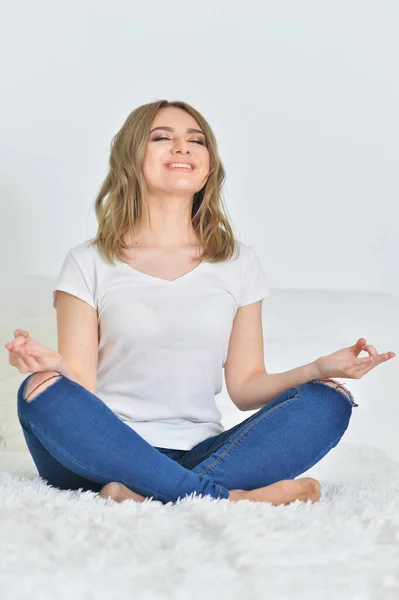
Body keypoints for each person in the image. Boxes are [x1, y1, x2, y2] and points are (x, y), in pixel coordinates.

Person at [5, 100, 395, 506]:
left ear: (209, 165)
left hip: (204, 451)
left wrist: (318, 368)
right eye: (162, 137)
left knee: (328, 399)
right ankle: (230, 499)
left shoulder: (238, 262)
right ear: (130, 157)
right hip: (106, 451)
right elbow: (80, 385)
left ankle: (152, 493)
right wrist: (54, 367)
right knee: (40, 390)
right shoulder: (89, 261)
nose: (182, 147)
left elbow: (245, 387)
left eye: (196, 140)